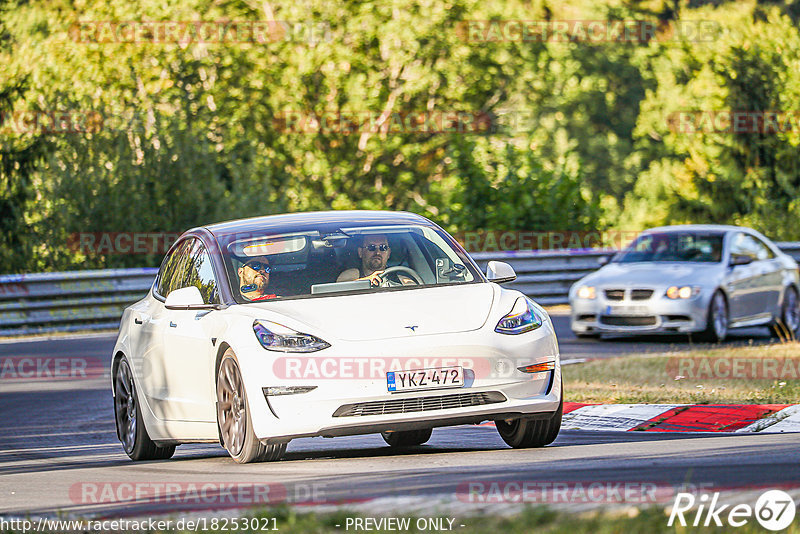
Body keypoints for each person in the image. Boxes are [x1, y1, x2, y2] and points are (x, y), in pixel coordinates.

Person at [337, 234, 414, 286]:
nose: (377, 252)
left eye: (383, 247)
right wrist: (366, 281)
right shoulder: (352, 274)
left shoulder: (400, 280)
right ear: (360, 252)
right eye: (371, 247)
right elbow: (339, 287)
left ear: (389, 253)